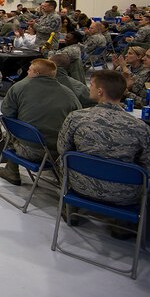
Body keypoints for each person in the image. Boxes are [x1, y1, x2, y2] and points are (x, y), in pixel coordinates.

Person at [58, 70, 150, 211]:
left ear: (100, 91)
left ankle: (71, 209)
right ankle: (121, 223)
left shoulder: (76, 118)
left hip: (79, 183)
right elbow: (146, 165)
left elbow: (63, 150)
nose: (89, 87)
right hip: (124, 194)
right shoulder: (141, 128)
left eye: (92, 85)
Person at [0, 58, 81, 185]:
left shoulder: (19, 87)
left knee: (8, 132)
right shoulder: (69, 94)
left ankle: (11, 170)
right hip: (59, 153)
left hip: (28, 148)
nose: (27, 73)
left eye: (29, 70)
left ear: (35, 73)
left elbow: (7, 114)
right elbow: (77, 120)